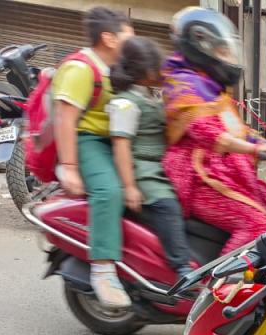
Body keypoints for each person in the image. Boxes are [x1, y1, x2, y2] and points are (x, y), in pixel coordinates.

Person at [161, 7, 266, 254]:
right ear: (200, 47)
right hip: (199, 178)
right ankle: (215, 289)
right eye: (223, 52)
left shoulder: (213, 89)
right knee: (257, 225)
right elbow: (206, 133)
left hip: (229, 172)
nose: (229, 58)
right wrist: (257, 149)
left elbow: (238, 130)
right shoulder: (183, 84)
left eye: (229, 51)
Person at [52, 6, 134, 308]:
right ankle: (103, 270)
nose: (133, 40)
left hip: (115, 142)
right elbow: (65, 119)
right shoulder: (82, 68)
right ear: (109, 38)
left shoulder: (115, 67)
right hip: (89, 141)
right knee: (109, 191)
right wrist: (70, 167)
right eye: (129, 34)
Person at [106, 36, 194, 277]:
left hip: (160, 167)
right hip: (143, 171)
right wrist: (130, 187)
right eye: (155, 66)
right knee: (167, 206)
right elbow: (121, 145)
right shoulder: (125, 103)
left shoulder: (148, 96)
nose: (160, 71)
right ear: (142, 70)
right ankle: (182, 267)